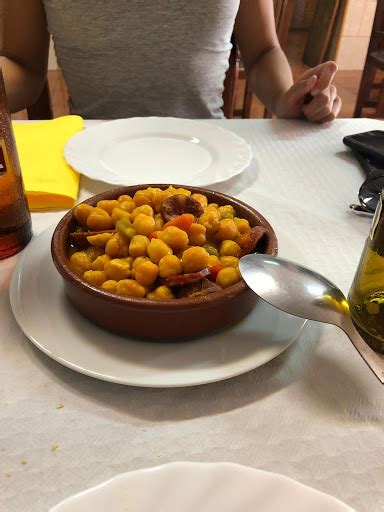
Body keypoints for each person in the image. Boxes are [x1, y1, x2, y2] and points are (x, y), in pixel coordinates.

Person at [1, 1, 341, 122]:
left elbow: (263, 51)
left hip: (211, 146)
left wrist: (286, 97)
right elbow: (24, 67)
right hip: (90, 153)